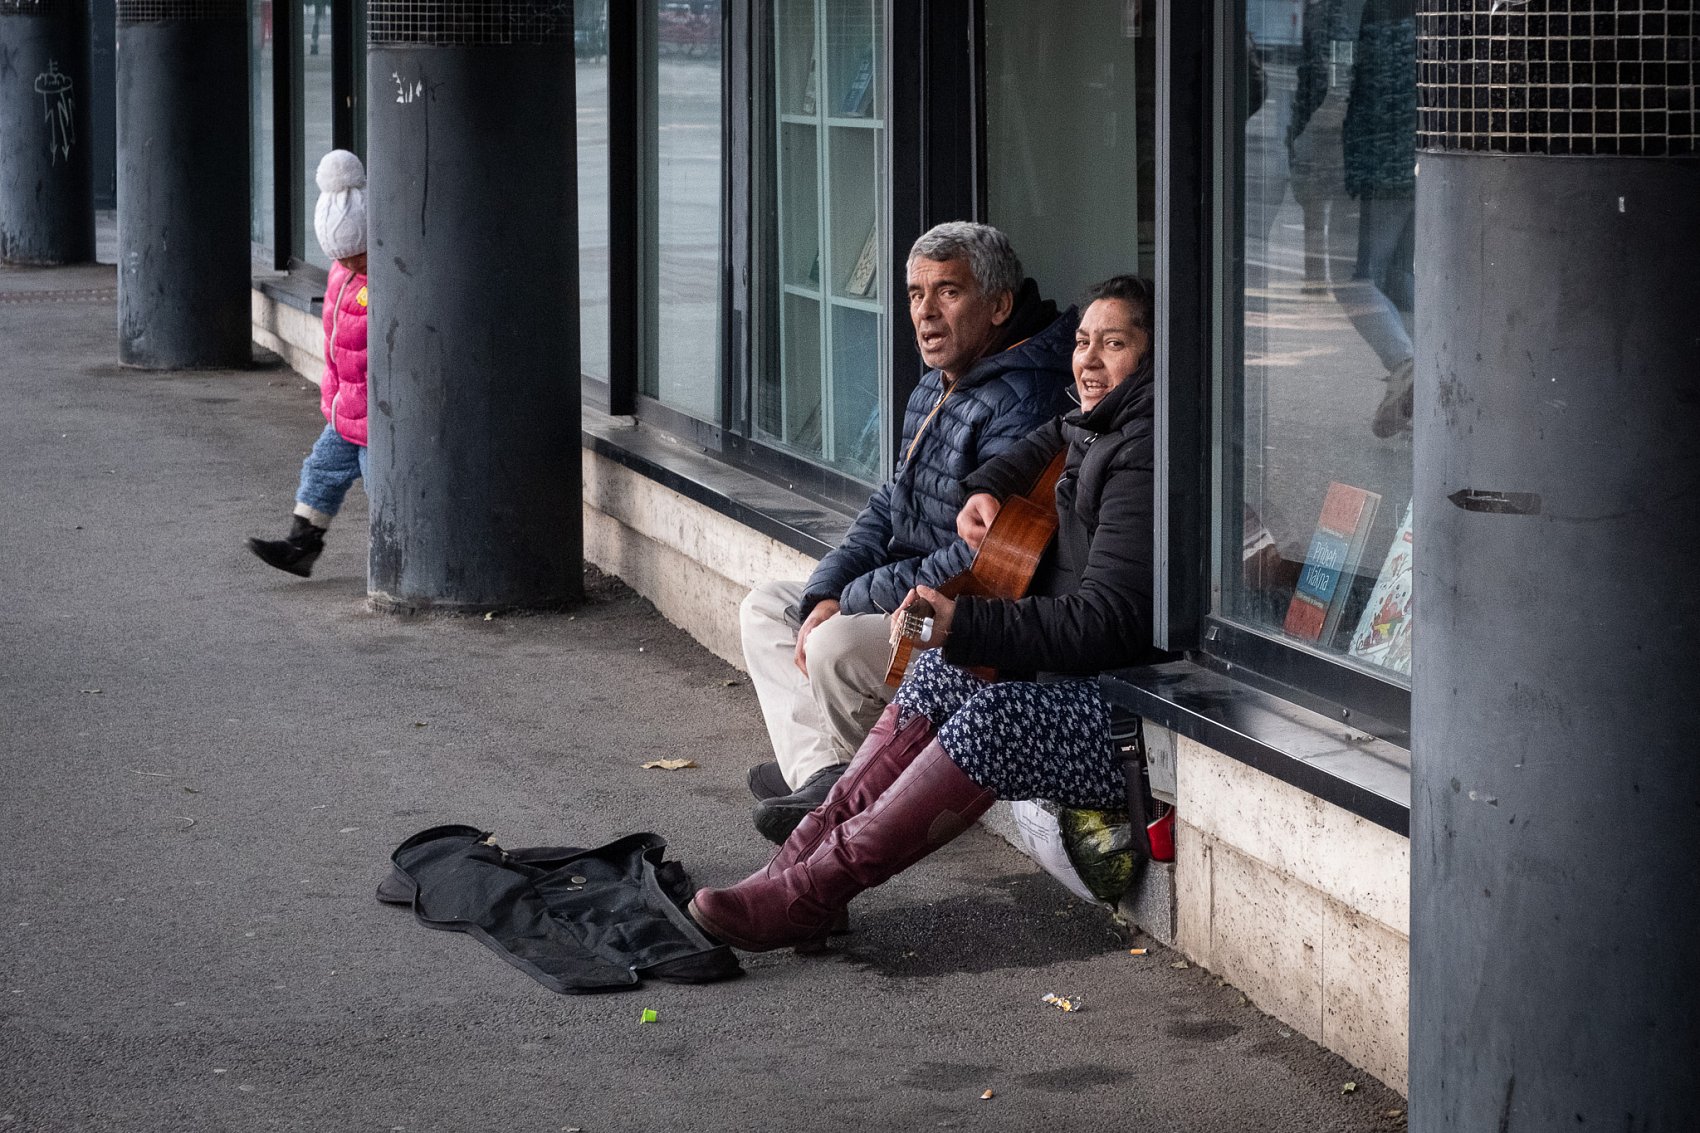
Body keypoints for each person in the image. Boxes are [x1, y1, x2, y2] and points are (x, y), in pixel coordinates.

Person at [691, 275, 1160, 952]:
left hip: (1129, 718)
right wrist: (987, 487)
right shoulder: (1098, 420)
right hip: (1072, 679)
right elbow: (1039, 445)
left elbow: (1105, 623)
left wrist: (963, 621)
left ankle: (810, 893)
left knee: (994, 719)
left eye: (1112, 344)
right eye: (1083, 340)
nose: (1087, 359)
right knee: (940, 669)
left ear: (1151, 355)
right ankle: (792, 869)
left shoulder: (1144, 454)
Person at [740, 222, 1078, 844]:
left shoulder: (1025, 398)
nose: (925, 312)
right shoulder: (939, 382)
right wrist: (828, 589)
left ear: (999, 305)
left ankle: (848, 812)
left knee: (834, 645)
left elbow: (978, 559)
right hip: (902, 591)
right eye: (916, 294)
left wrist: (848, 603)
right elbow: (888, 506)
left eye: (948, 291)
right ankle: (824, 778)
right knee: (767, 607)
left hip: (964, 610)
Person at [246, 150, 371, 577]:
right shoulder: (340, 273)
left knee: (384, 485)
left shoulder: (389, 279)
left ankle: (404, 552)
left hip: (376, 416)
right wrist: (333, 395)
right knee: (320, 469)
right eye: (343, 257)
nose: (351, 263)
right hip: (346, 408)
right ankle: (301, 546)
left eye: (359, 255)